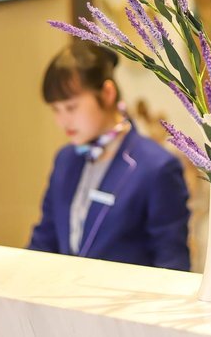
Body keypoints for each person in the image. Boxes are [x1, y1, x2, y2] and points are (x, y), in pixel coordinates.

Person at [27, 41, 191, 271]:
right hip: (64, 292)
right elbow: (44, 241)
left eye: (71, 107)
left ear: (107, 93)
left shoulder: (157, 167)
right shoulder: (65, 159)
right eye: (56, 109)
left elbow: (171, 264)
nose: (62, 121)